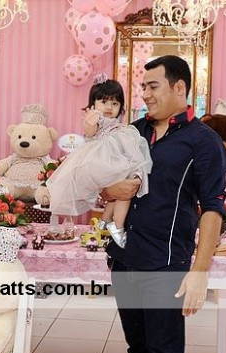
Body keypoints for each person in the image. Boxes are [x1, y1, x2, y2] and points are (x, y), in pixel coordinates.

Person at [102, 55, 226, 353]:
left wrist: (199, 271)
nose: (145, 94)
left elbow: (213, 207)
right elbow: (106, 184)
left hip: (165, 263)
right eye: (143, 87)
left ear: (179, 88)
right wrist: (109, 190)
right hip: (124, 258)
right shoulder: (134, 132)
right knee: (138, 348)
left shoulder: (203, 141)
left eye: (153, 86)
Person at [47, 74, 152, 248]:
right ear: (93, 104)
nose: (109, 107)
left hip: (113, 161)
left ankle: (105, 221)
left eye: (115, 103)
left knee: (122, 192)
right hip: (100, 161)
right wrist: (90, 122)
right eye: (104, 102)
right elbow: (89, 132)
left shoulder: (120, 127)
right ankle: (117, 227)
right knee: (124, 193)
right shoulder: (97, 120)